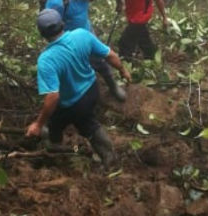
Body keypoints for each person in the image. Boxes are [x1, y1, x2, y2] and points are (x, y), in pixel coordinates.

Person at [25, 9, 132, 166]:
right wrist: (123, 70)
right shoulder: (82, 35)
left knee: (70, 124)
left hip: (72, 103)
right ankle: (106, 155)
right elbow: (110, 55)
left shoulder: (46, 60)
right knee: (82, 120)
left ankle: (56, 152)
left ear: (42, 34)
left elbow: (53, 96)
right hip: (92, 90)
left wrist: (38, 124)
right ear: (62, 24)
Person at [45, 0, 127, 101]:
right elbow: (51, 26)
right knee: (73, 68)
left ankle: (112, 85)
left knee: (99, 59)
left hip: (86, 32)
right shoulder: (57, 2)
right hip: (69, 41)